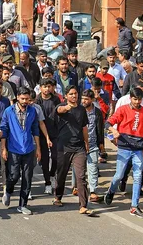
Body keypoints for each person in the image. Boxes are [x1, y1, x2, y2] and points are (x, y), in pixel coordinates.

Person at [104, 87, 143, 218]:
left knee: (138, 176)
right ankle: (111, 191)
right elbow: (108, 123)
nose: (137, 102)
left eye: (139, 99)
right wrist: (114, 131)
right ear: (130, 98)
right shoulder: (123, 109)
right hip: (124, 147)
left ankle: (134, 206)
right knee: (119, 175)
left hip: (138, 148)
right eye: (135, 99)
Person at [52, 86, 95, 216]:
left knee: (81, 176)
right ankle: (58, 197)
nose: (74, 96)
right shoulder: (62, 107)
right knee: (61, 174)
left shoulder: (82, 109)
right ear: (66, 96)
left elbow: (84, 127)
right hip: (63, 147)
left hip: (79, 147)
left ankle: (83, 205)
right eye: (71, 94)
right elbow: (59, 110)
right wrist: (67, 108)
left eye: (75, 93)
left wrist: (87, 143)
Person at [0, 87, 41, 215]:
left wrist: (38, 148)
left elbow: (35, 130)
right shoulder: (9, 111)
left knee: (27, 177)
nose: (25, 101)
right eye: (22, 99)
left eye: (27, 99)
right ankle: (9, 191)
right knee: (14, 175)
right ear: (17, 97)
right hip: (13, 148)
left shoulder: (33, 111)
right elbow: (4, 130)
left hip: (28, 148)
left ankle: (23, 205)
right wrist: (4, 148)